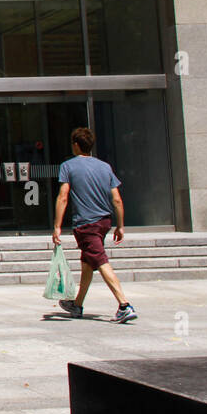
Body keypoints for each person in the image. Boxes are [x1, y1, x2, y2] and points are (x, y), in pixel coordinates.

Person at [52, 127, 137, 323]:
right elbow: (116, 199)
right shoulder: (105, 167)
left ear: (75, 145)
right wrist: (120, 225)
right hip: (104, 222)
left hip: (85, 224)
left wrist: (57, 226)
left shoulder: (68, 166)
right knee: (87, 263)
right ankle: (77, 304)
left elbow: (63, 197)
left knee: (100, 261)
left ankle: (124, 304)